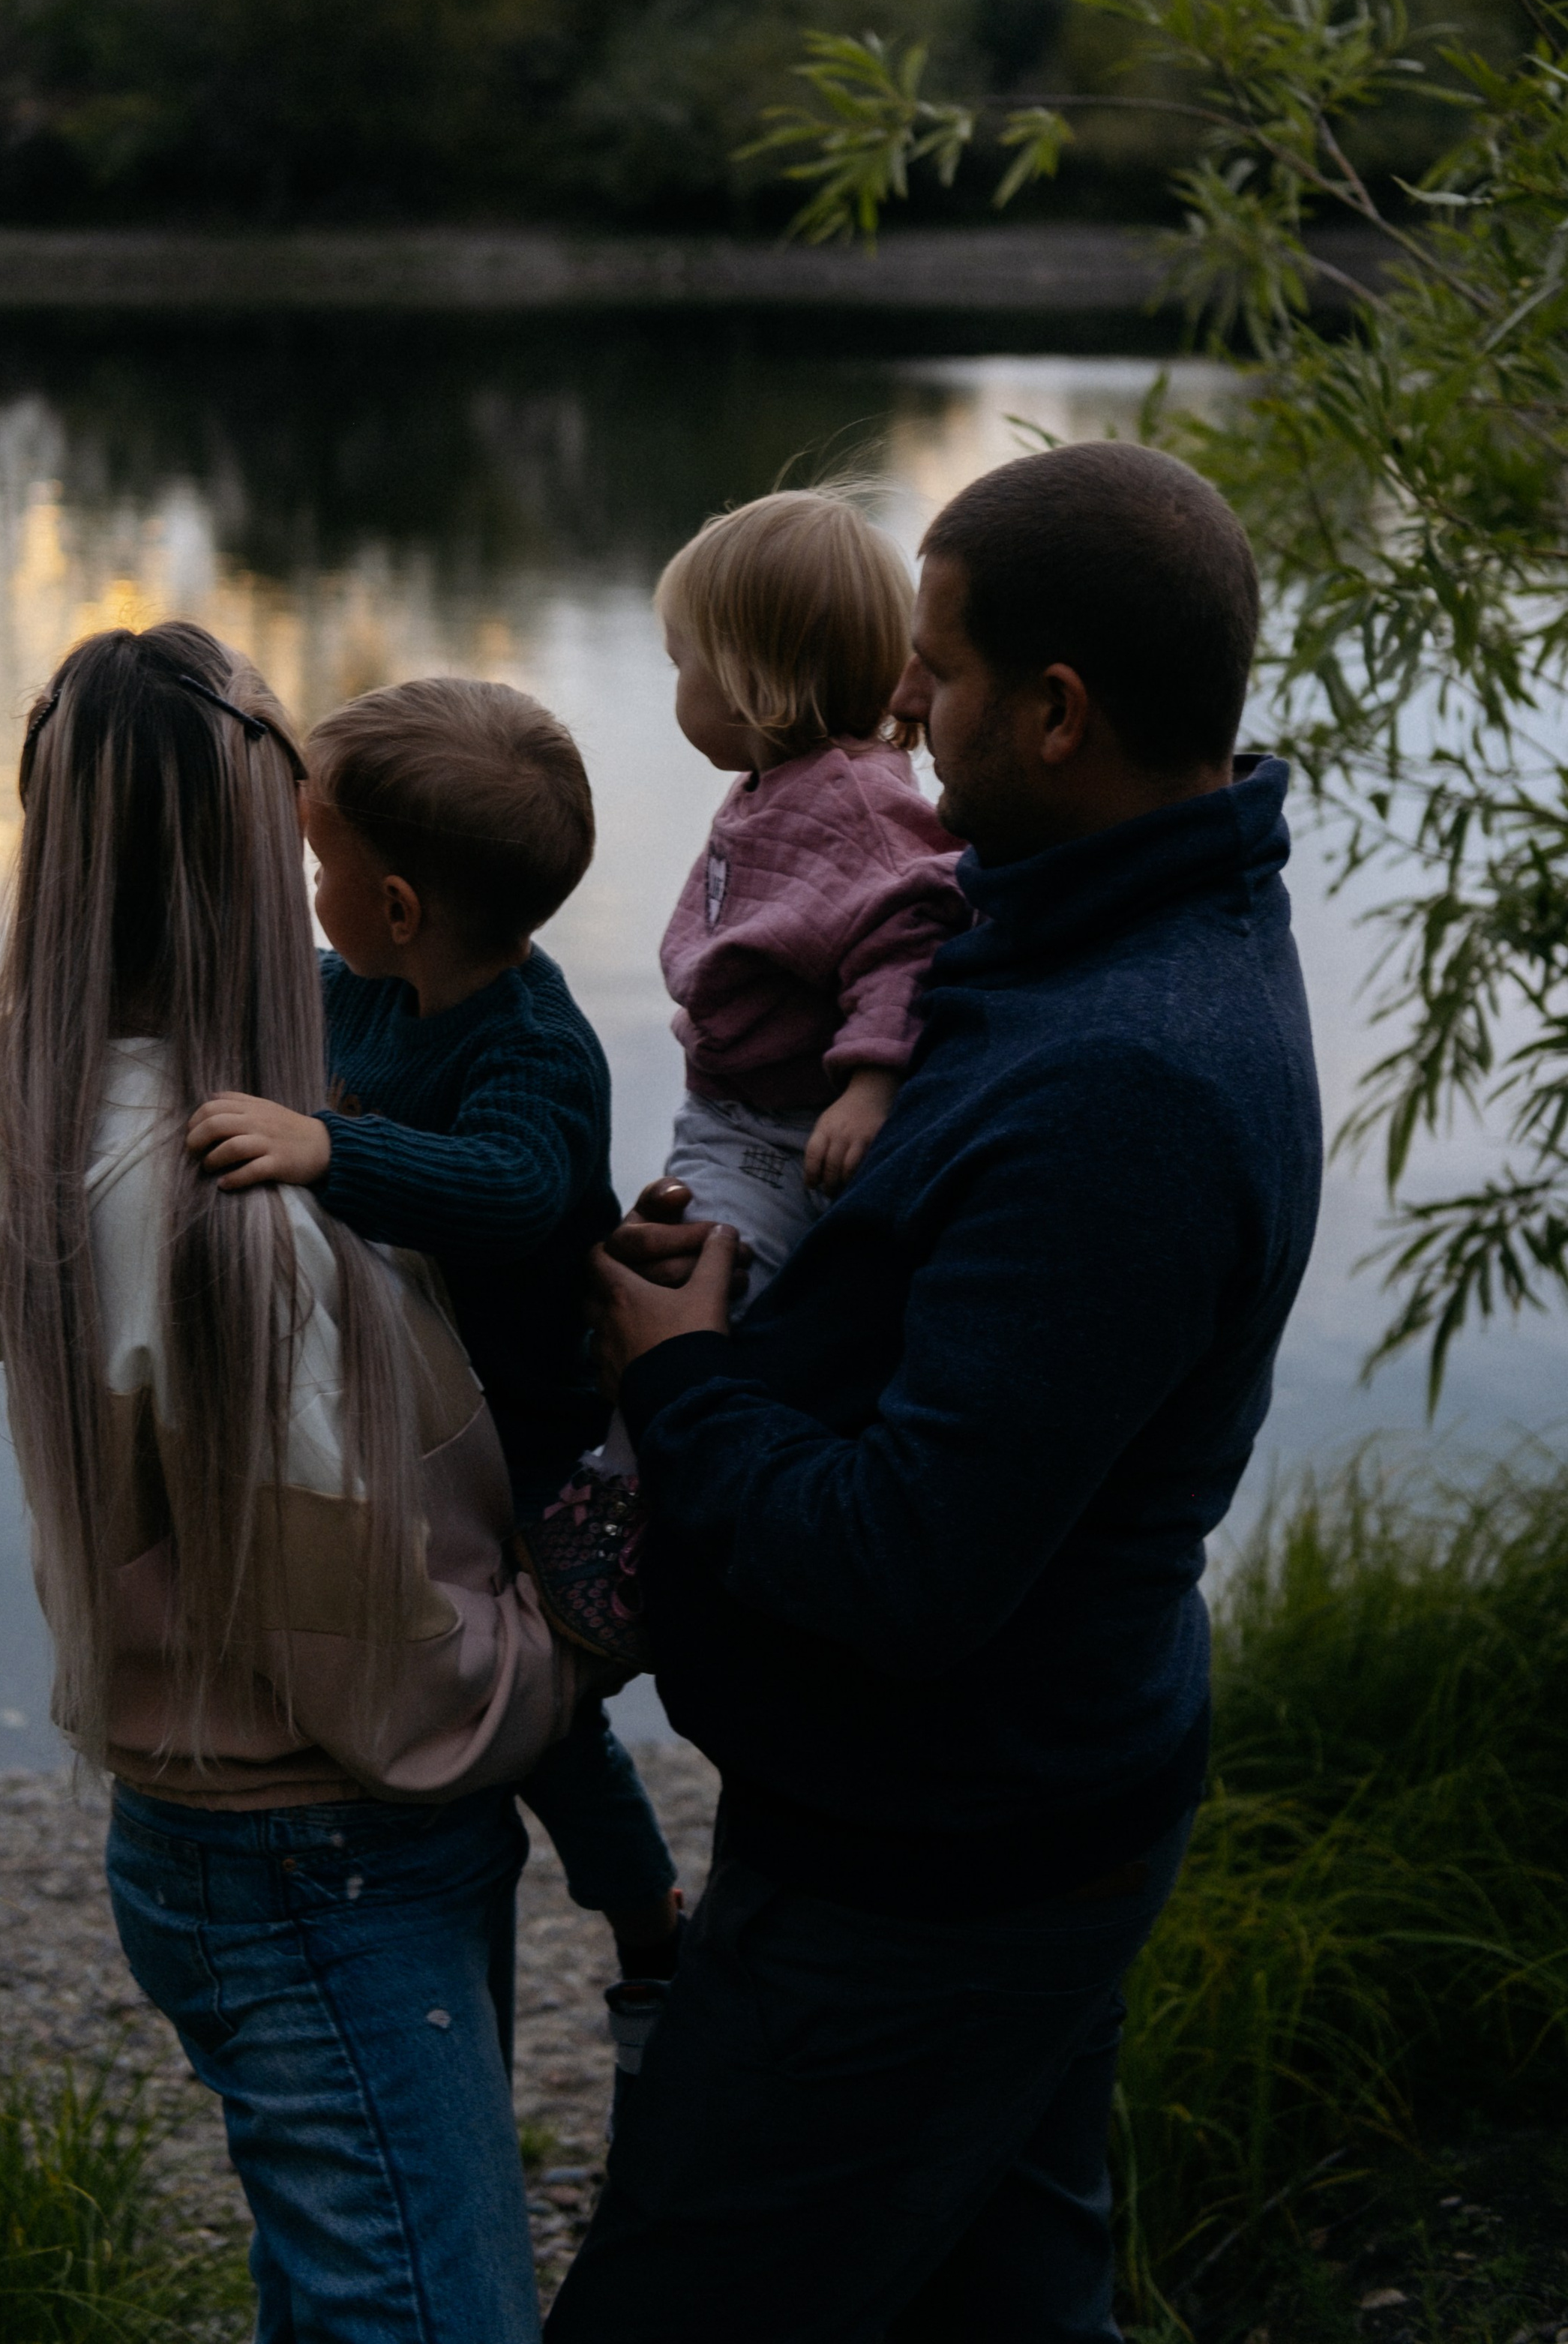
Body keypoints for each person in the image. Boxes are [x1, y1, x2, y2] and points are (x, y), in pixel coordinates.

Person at [547, 442, 1324, 2344]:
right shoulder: (1060, 917)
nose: (893, 702)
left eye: (939, 668)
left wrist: (691, 1371)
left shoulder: (1126, 1079)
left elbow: (903, 1558)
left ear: (1056, 713)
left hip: (934, 1876)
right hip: (996, 1807)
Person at [0, 624, 573, 2344]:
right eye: (290, 837)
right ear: (241, 869)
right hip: (323, 1844)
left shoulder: (18, 1105)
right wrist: (571, 1627)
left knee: (340, 2286)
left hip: (193, 1813)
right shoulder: (227, 1196)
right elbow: (380, 1646)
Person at [183, 676, 681, 1982]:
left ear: (397, 907)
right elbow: (277, 983)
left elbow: (513, 1189)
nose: (307, 893)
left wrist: (327, 1145)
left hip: (522, 1437)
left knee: (551, 1733)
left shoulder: (534, 1049)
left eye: (316, 866)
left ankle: (648, 1920)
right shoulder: (367, 984)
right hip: (411, 1407)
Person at [655, 487, 970, 1305]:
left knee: (706, 1300)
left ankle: (659, 1423)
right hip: (734, 1114)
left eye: (679, 660)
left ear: (743, 680)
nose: (675, 681)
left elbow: (916, 932)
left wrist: (874, 1083)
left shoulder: (856, 807)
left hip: (791, 1135)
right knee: (659, 1270)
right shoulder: (782, 781)